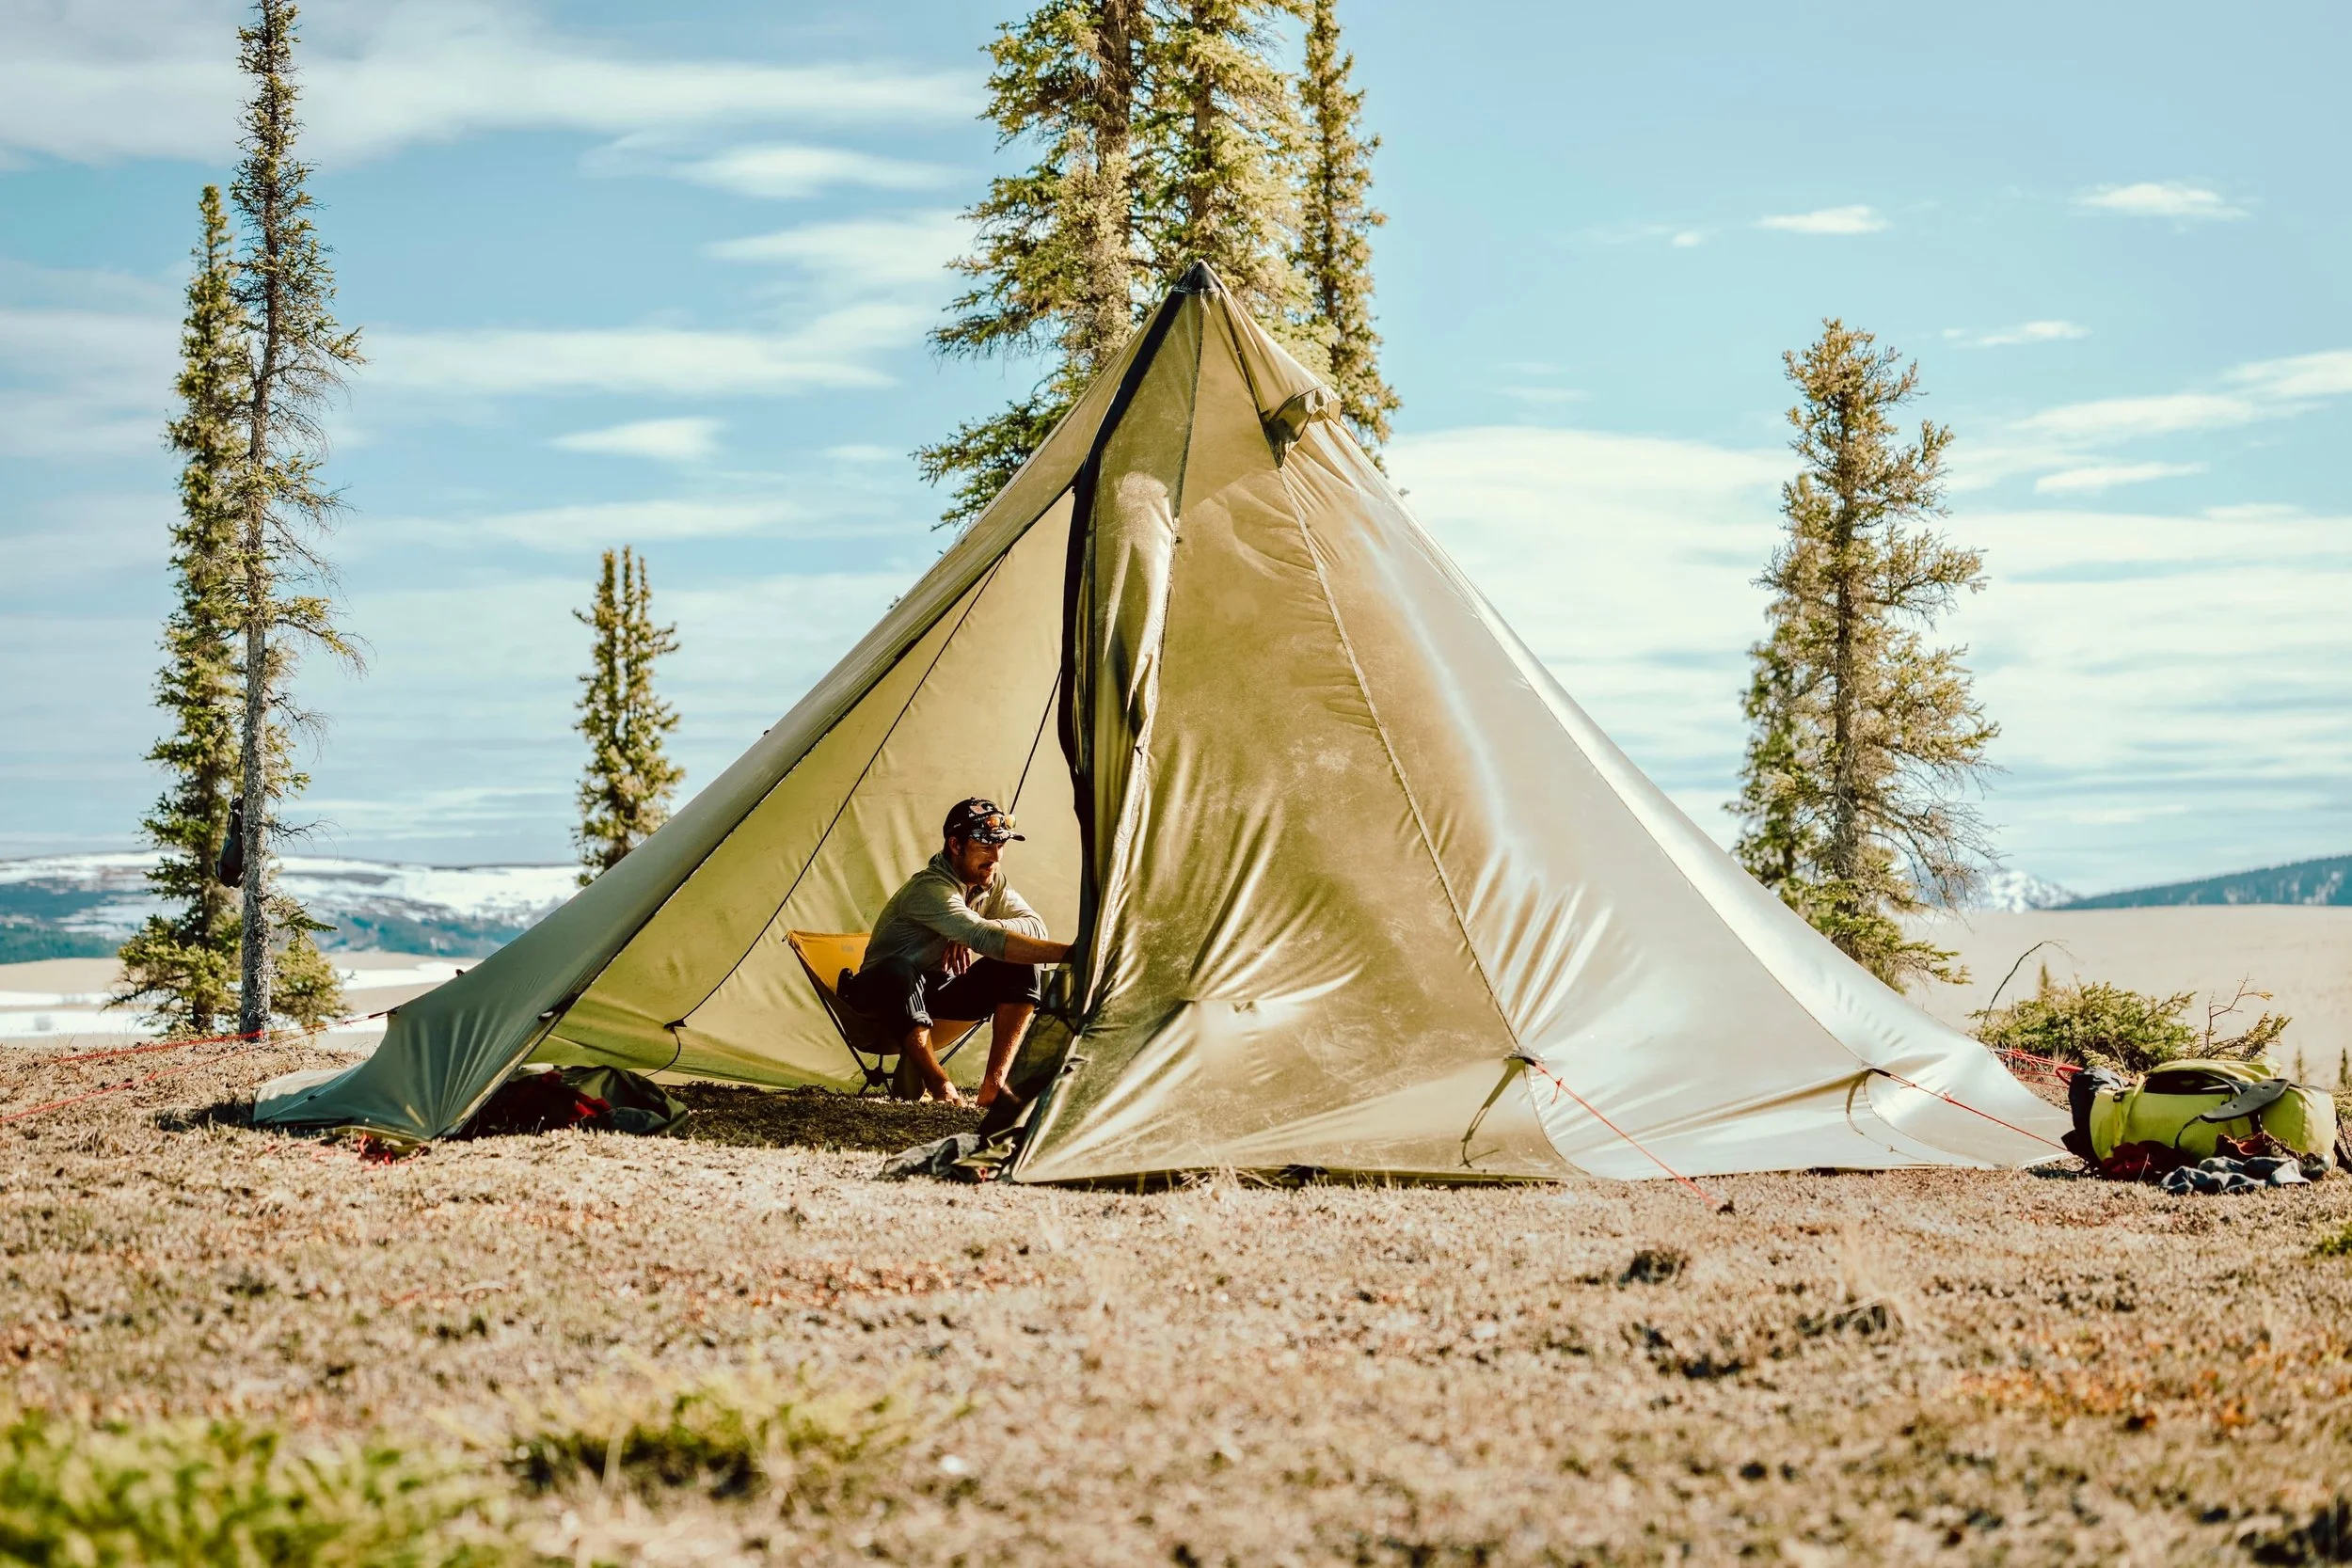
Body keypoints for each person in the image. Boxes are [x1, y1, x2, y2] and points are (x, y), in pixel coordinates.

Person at [841, 798, 1073, 1107]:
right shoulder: (929, 889)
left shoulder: (991, 882)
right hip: (876, 997)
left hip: (933, 993)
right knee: (898, 969)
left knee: (1022, 964)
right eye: (985, 847)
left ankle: (994, 1087)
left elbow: (1035, 927)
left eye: (1001, 846)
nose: (996, 857)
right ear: (955, 845)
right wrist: (1074, 954)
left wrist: (974, 928)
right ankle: (939, 1083)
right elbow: (980, 936)